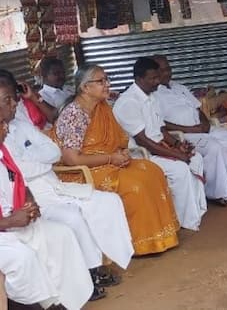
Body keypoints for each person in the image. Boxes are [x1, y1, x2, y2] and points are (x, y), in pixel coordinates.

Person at [0, 76, 133, 288]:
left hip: (56, 185)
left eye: (14, 97)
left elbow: (54, 152)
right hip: (35, 196)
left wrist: (30, 159)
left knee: (108, 201)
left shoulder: (21, 126)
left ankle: (106, 260)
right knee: (73, 217)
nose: (15, 103)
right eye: (8, 100)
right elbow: (19, 171)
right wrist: (36, 162)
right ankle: (91, 273)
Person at [51, 64, 180, 255]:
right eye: (100, 81)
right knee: (135, 185)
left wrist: (122, 153)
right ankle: (138, 243)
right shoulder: (74, 114)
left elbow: (117, 140)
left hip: (108, 162)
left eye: (107, 79)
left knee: (153, 171)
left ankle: (161, 236)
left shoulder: (102, 107)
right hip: (83, 172)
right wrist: (111, 158)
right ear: (85, 87)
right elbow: (71, 159)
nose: (107, 84)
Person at [0, 111, 94, 310]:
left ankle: (64, 300)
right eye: (1, 124)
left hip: (12, 223)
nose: (6, 127)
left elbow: (20, 182)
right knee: (23, 258)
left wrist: (30, 203)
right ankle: (40, 304)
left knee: (61, 234)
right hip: (5, 229)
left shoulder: (3, 153)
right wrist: (10, 222)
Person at [113, 57, 207, 229]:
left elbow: (161, 130)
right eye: (153, 78)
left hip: (159, 148)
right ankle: (184, 220)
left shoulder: (152, 96)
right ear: (139, 79)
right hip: (142, 155)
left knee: (196, 158)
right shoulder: (128, 102)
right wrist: (176, 154)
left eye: (157, 77)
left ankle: (196, 211)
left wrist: (178, 145)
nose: (158, 82)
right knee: (179, 169)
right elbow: (144, 141)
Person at [153, 55, 227, 204]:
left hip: (203, 129)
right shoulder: (153, 95)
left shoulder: (179, 87)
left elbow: (198, 109)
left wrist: (204, 123)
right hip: (183, 135)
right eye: (162, 70)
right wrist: (189, 129)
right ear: (154, 72)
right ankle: (219, 193)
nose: (167, 73)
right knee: (214, 148)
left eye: (168, 68)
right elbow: (160, 123)